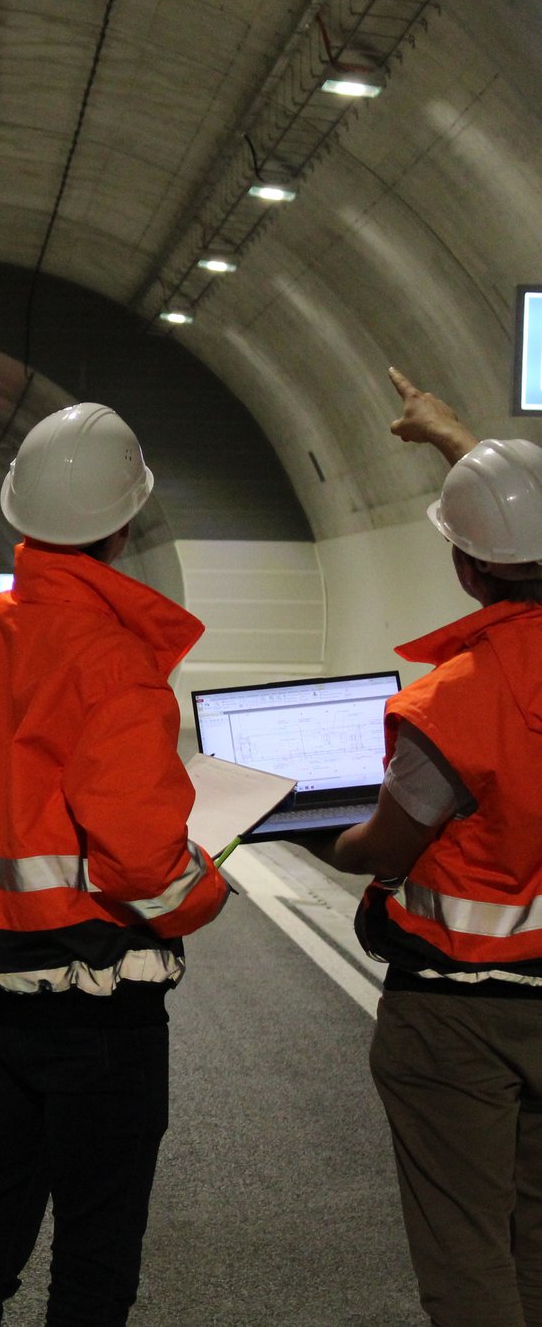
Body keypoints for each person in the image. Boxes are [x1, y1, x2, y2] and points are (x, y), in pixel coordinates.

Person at [0, 401, 230, 1327]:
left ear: (17, 516)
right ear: (124, 523)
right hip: (102, 1005)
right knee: (94, 1256)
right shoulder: (116, 663)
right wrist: (208, 882)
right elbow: (142, 868)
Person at [303, 367, 542, 1327]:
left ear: (466, 570)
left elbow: (382, 846)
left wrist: (319, 834)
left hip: (460, 1014)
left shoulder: (453, 703)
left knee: (468, 1249)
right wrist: (453, 437)